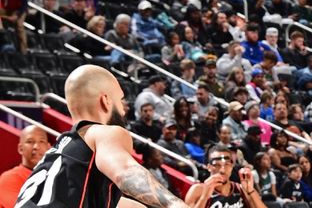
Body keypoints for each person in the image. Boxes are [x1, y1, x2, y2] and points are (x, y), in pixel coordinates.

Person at [14, 64, 200, 207]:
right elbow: (125, 171)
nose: (124, 110)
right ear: (105, 100)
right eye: (120, 100)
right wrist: (174, 204)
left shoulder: (60, 155)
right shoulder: (104, 133)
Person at [185, 144, 267, 207]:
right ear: (208, 167)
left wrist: (251, 191)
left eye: (227, 164)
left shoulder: (241, 189)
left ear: (232, 166)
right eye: (217, 165)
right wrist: (204, 197)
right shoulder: (198, 190)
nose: (222, 170)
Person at [0, 126, 50, 208]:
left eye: (41, 141)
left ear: (49, 148)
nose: (36, 146)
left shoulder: (55, 176)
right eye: (30, 142)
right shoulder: (8, 178)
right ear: (20, 148)